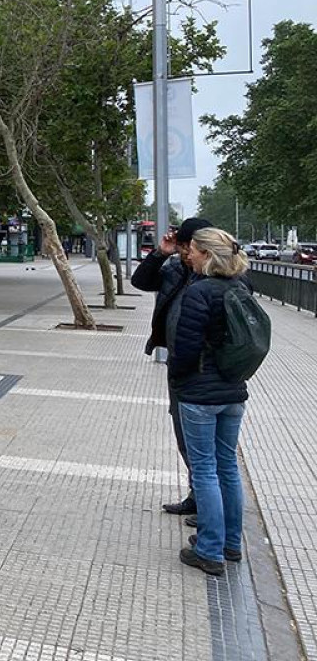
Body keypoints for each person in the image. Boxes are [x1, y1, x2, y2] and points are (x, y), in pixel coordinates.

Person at [168, 228, 251, 576]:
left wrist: (178, 379)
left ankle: (209, 549)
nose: (191, 256)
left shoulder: (200, 291)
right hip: (233, 390)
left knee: (204, 470)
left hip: (200, 393)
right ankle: (231, 543)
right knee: (227, 467)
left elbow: (185, 349)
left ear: (207, 254)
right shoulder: (242, 289)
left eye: (196, 251)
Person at [131, 216, 212, 516]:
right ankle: (198, 497)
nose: (185, 254)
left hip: (204, 373)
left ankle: (211, 515)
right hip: (180, 366)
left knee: (208, 451)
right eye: (182, 248)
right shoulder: (176, 268)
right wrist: (160, 253)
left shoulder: (219, 277)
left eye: (186, 248)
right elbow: (140, 281)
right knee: (185, 437)